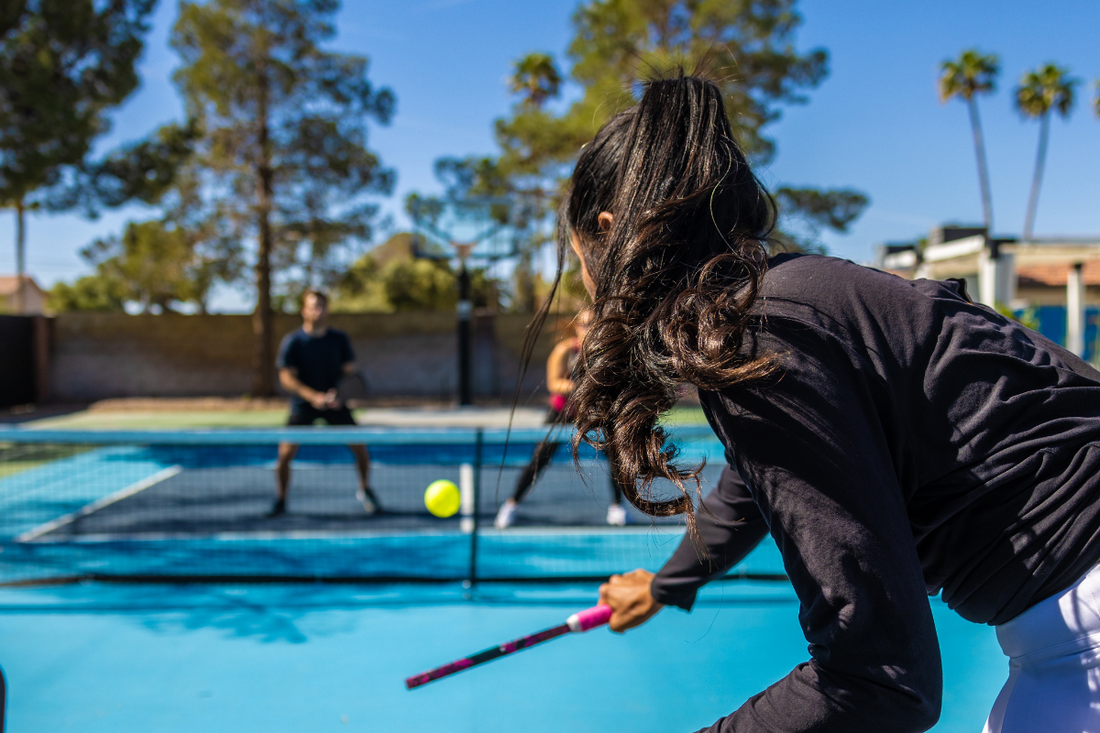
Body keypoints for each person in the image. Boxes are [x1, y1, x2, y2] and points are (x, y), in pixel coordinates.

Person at [549, 74, 1100, 732]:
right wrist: (670, 581)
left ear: (608, 234)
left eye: (579, 258)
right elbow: (762, 481)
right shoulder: (788, 302)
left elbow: (878, 675)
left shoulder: (760, 333)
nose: (585, 289)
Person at [494, 309, 628, 529]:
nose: (589, 327)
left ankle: (617, 507)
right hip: (563, 412)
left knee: (615, 456)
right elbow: (553, 383)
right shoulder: (565, 350)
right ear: (577, 327)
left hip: (594, 412)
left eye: (593, 323)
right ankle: (511, 505)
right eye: (584, 324)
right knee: (540, 458)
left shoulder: (606, 352)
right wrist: (582, 387)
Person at [270, 289, 379, 517]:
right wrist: (313, 397)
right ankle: (280, 499)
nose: (317, 310)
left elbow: (350, 373)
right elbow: (286, 378)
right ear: (304, 310)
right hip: (304, 405)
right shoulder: (293, 341)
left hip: (335, 405)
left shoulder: (339, 339)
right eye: (313, 306)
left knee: (361, 449)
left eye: (321, 306)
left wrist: (338, 395)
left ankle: (365, 490)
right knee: (284, 455)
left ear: (327, 310)